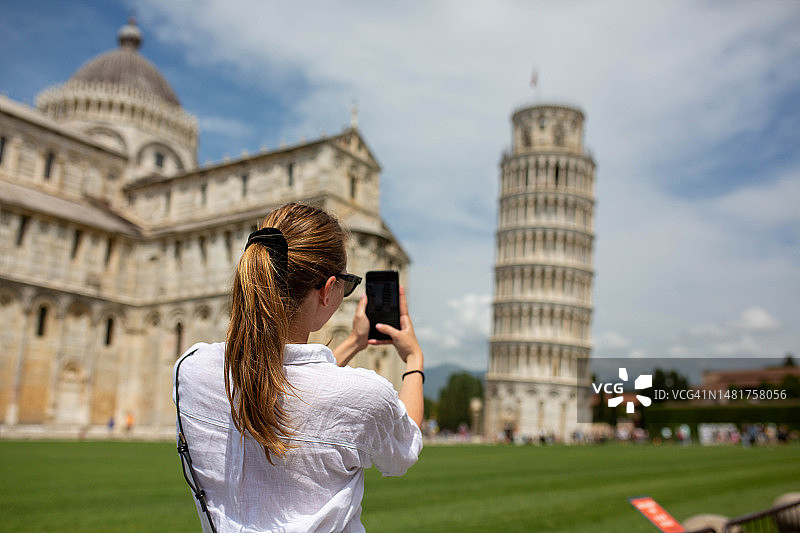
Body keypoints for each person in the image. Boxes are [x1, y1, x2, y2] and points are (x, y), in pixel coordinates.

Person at [173, 203, 424, 533]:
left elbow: (284, 377)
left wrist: (352, 342)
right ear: (326, 290)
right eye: (346, 285)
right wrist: (414, 361)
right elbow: (404, 448)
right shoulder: (365, 394)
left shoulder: (190, 369)